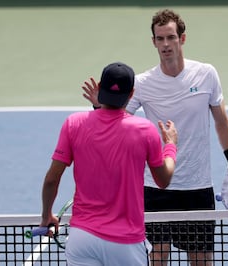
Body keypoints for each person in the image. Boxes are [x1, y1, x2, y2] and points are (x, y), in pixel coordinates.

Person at [82, 9, 228, 266]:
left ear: (182, 39)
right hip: (155, 186)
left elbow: (222, 122)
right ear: (153, 42)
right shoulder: (143, 83)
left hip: (197, 186)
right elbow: (113, 121)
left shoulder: (206, 74)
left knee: (202, 260)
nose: (165, 45)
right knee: (157, 258)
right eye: (160, 39)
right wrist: (99, 108)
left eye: (170, 37)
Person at [40, 62, 178, 266]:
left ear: (101, 87)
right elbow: (163, 180)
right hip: (126, 244)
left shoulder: (73, 124)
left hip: (82, 239)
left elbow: (52, 179)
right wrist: (170, 146)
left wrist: (46, 216)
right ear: (131, 94)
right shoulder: (145, 130)